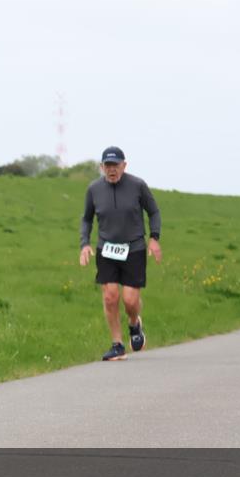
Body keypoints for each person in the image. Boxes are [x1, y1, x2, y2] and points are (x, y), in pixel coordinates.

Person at [79, 146, 162, 361]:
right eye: (108, 166)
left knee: (130, 300)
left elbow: (153, 211)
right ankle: (117, 344)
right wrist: (85, 244)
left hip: (134, 248)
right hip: (106, 249)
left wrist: (154, 238)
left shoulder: (137, 185)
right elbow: (86, 218)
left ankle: (134, 324)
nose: (112, 170)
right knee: (110, 296)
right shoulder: (94, 189)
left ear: (124, 165)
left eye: (115, 165)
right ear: (101, 167)